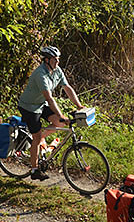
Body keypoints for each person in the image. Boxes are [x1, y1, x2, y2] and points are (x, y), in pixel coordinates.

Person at [17, 46, 84, 180]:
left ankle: (40, 137)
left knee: (59, 124)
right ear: (47, 60)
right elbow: (50, 98)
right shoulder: (40, 74)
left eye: (58, 59)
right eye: (55, 59)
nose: (58, 62)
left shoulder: (56, 71)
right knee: (36, 136)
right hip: (29, 107)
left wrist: (79, 105)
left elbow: (67, 88)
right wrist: (61, 115)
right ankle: (34, 170)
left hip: (41, 104)